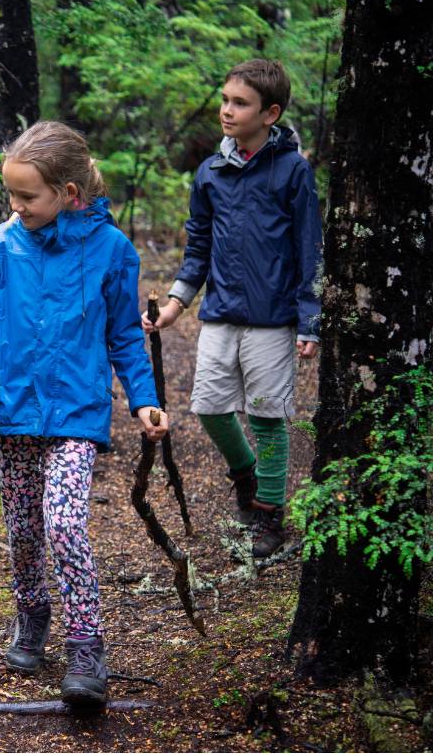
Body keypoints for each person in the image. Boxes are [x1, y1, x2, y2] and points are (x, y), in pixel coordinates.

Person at [0, 121, 168, 706]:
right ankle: (31, 612)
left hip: (76, 411)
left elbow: (125, 334)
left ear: (69, 193)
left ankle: (86, 644)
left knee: (64, 522)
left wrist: (144, 398)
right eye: (12, 196)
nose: (16, 207)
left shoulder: (112, 252)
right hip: (14, 410)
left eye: (28, 196)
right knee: (22, 530)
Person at [142, 58, 322, 559]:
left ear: (270, 113)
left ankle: (268, 515)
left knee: (266, 416)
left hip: (273, 318)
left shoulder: (292, 171)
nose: (226, 110)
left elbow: (310, 248)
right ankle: (246, 475)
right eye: (225, 99)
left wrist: (310, 317)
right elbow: (198, 246)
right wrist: (176, 304)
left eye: (239, 103)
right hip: (221, 312)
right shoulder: (212, 172)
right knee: (210, 408)